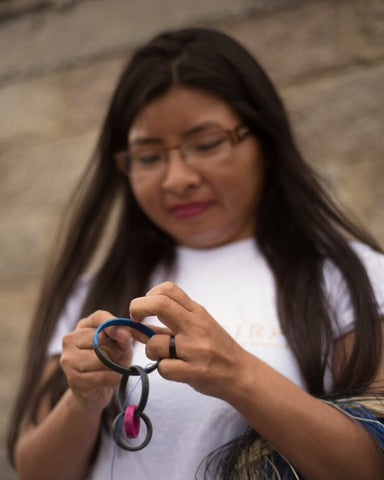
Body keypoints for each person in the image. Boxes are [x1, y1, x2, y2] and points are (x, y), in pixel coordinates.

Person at [7, 27, 384, 480]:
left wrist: (237, 375)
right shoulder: (93, 291)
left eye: (206, 144)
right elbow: (36, 471)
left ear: (264, 142)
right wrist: (84, 400)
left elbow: (369, 465)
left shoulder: (349, 275)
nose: (177, 178)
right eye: (148, 157)